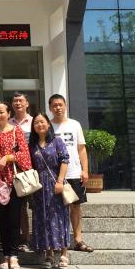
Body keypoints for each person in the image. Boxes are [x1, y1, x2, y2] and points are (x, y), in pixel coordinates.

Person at [0, 101, 31, 269]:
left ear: (8, 114)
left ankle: (14, 255)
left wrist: (8, 157)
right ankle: (5, 255)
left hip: (13, 181)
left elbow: (24, 154)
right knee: (2, 220)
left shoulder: (15, 130)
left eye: (1, 112)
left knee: (14, 219)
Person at [48, 93, 95, 253]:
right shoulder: (48, 126)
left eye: (60, 104)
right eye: (54, 105)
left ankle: (78, 239)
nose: (58, 108)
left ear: (65, 106)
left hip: (74, 173)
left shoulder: (75, 125)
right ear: (50, 108)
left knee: (75, 207)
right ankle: (58, 241)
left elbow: (81, 149)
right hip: (54, 175)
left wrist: (85, 170)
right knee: (55, 209)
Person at [29, 113, 71, 269]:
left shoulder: (57, 141)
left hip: (55, 183)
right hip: (39, 187)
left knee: (59, 217)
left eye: (42, 122)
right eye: (36, 122)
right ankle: (49, 254)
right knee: (43, 218)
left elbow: (65, 160)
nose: (39, 125)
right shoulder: (32, 145)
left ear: (48, 124)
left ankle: (64, 253)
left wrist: (60, 181)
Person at [10, 92, 34, 250]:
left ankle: (36, 238)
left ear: (27, 103)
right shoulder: (9, 122)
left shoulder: (34, 121)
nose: (18, 103)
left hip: (33, 168)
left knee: (35, 205)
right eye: (15, 101)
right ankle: (24, 238)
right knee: (20, 206)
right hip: (15, 169)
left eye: (20, 100)